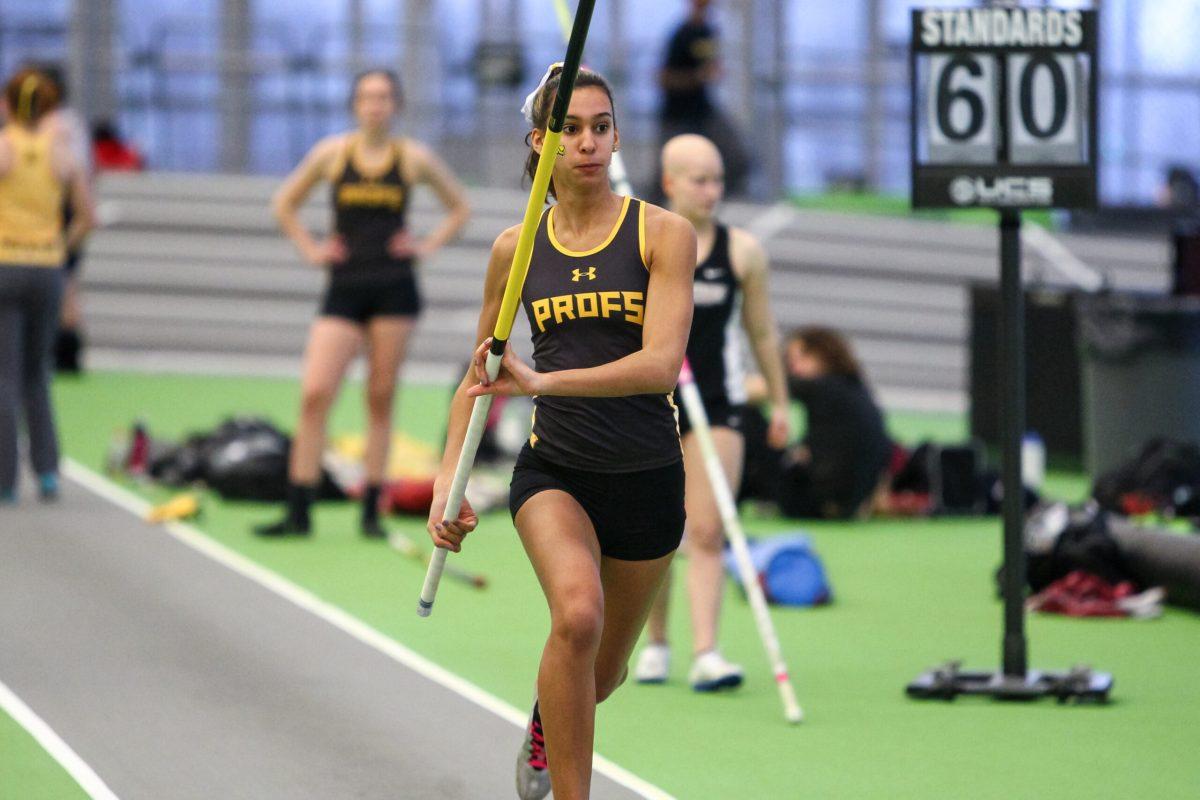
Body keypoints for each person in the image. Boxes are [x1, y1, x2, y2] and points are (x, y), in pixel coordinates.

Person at [427, 66, 696, 800]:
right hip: (556, 471)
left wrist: (544, 382)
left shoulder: (663, 235)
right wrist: (446, 482)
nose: (589, 143)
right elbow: (478, 377)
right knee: (576, 615)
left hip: (647, 477)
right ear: (540, 141)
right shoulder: (516, 252)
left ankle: (547, 717)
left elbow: (660, 366)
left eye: (601, 127)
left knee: (598, 677)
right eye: (571, 129)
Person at [256, 68, 469, 538]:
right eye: (367, 97)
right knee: (315, 394)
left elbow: (460, 207)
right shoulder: (333, 154)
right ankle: (299, 507)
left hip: (394, 290)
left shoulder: (412, 158)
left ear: (395, 106)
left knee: (379, 397)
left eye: (384, 97)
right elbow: (283, 203)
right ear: (355, 104)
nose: (375, 105)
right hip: (344, 287)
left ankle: (372, 507)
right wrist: (312, 249)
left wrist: (425, 245)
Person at [634, 133, 791, 690]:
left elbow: (762, 332)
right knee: (656, 529)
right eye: (699, 179)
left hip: (718, 404)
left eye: (717, 179)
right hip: (650, 400)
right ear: (671, 182)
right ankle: (655, 644)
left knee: (706, 529)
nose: (712, 190)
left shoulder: (742, 251)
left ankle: (707, 652)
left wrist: (779, 400)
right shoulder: (642, 240)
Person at [0, 68, 95, 502]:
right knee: (37, 372)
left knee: (5, 375)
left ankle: (5, 479)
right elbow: (87, 216)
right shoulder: (62, 155)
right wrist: (60, 246)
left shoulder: (4, 149)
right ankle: (47, 470)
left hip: (5, 265)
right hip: (46, 269)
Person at [779, 326, 892, 519]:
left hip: (818, 502)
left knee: (748, 419)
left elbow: (760, 389)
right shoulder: (856, 390)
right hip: (849, 503)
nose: (794, 368)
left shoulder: (823, 387)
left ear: (824, 354)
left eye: (801, 357)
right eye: (790, 362)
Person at [656, 0, 749, 198]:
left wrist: (713, 72)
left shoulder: (708, 32)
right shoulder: (681, 35)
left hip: (702, 111)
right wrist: (696, 77)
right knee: (665, 174)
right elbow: (664, 79)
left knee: (737, 157)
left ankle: (717, 203)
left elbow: (711, 67)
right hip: (677, 115)